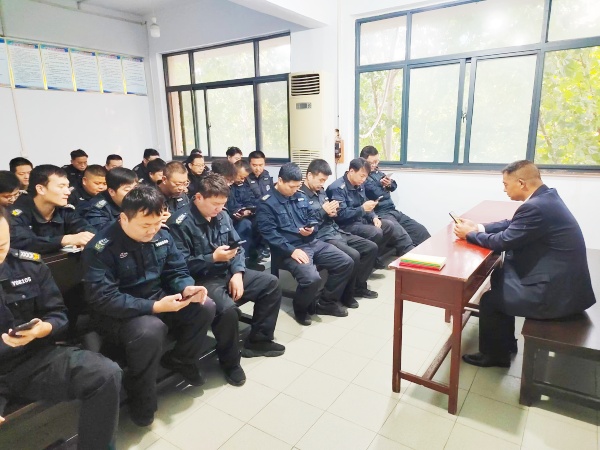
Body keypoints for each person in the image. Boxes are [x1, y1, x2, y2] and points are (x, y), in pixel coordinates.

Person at [82, 185, 215, 427]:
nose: (153, 230)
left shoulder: (162, 234)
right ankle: (141, 395)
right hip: (118, 313)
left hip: (158, 298)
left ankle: (182, 359)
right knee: (150, 330)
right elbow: (104, 299)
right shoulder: (100, 248)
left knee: (205, 306)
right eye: (145, 225)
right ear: (124, 218)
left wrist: (186, 287)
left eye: (157, 223)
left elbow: (176, 270)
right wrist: (154, 307)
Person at [0, 206, 122, 450]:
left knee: (105, 374)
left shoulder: (28, 265)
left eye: (2, 246)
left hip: (32, 360)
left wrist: (43, 328)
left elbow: (58, 314)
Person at [454, 160, 596, 368]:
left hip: (556, 295)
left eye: (505, 184)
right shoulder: (546, 198)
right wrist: (478, 227)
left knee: (490, 300)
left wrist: (470, 235)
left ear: (521, 183)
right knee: (500, 275)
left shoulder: (536, 207)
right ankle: (505, 344)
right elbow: (512, 224)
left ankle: (495, 356)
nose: (504, 190)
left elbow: (503, 241)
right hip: (564, 282)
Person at [168, 174, 285, 369]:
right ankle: (230, 362)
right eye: (215, 204)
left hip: (228, 271)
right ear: (198, 197)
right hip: (200, 280)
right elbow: (179, 267)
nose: (219, 208)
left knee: (270, 284)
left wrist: (238, 273)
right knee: (228, 310)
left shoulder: (222, 215)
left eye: (223, 203)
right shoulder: (180, 223)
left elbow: (237, 246)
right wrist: (212, 258)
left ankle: (258, 341)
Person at [257, 163, 353, 325]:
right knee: (311, 278)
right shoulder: (266, 203)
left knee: (345, 262)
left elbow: (312, 217)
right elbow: (269, 234)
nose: (295, 190)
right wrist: (292, 251)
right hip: (288, 249)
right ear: (280, 181)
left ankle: (326, 302)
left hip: (311, 242)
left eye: (297, 186)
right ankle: (300, 308)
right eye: (291, 186)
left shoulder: (300, 195)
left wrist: (312, 228)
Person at [301, 159, 378, 309]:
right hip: (322, 236)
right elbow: (305, 222)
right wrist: (323, 211)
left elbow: (334, 214)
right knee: (353, 255)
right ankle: (337, 298)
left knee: (371, 247)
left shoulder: (321, 191)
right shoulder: (300, 195)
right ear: (309, 176)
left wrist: (332, 212)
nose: (323, 184)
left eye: (324, 180)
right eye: (321, 180)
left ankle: (357, 287)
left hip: (336, 230)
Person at [326, 158, 413, 267]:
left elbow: (365, 202)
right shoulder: (337, 188)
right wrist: (362, 209)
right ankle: (367, 262)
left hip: (360, 220)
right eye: (361, 176)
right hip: (345, 225)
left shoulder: (360, 184)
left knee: (388, 226)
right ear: (351, 171)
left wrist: (374, 217)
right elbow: (341, 216)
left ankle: (375, 258)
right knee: (375, 232)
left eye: (365, 177)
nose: (363, 180)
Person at [9, 165, 95, 254]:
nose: (68, 192)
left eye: (67, 186)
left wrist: (85, 239)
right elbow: (23, 243)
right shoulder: (17, 213)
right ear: (40, 189)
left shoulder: (64, 210)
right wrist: (64, 240)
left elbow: (84, 227)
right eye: (61, 187)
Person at [360, 145, 430, 246]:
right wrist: (383, 186)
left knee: (421, 231)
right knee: (404, 239)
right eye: (372, 163)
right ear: (363, 161)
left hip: (392, 210)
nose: (375, 165)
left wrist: (389, 183)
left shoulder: (378, 173)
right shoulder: (362, 177)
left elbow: (393, 186)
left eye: (377, 161)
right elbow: (376, 193)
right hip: (381, 214)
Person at [84, 167, 138, 232]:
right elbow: (105, 232)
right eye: (127, 190)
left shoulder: (139, 199)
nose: (134, 193)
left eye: (135, 188)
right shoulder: (97, 209)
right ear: (112, 191)